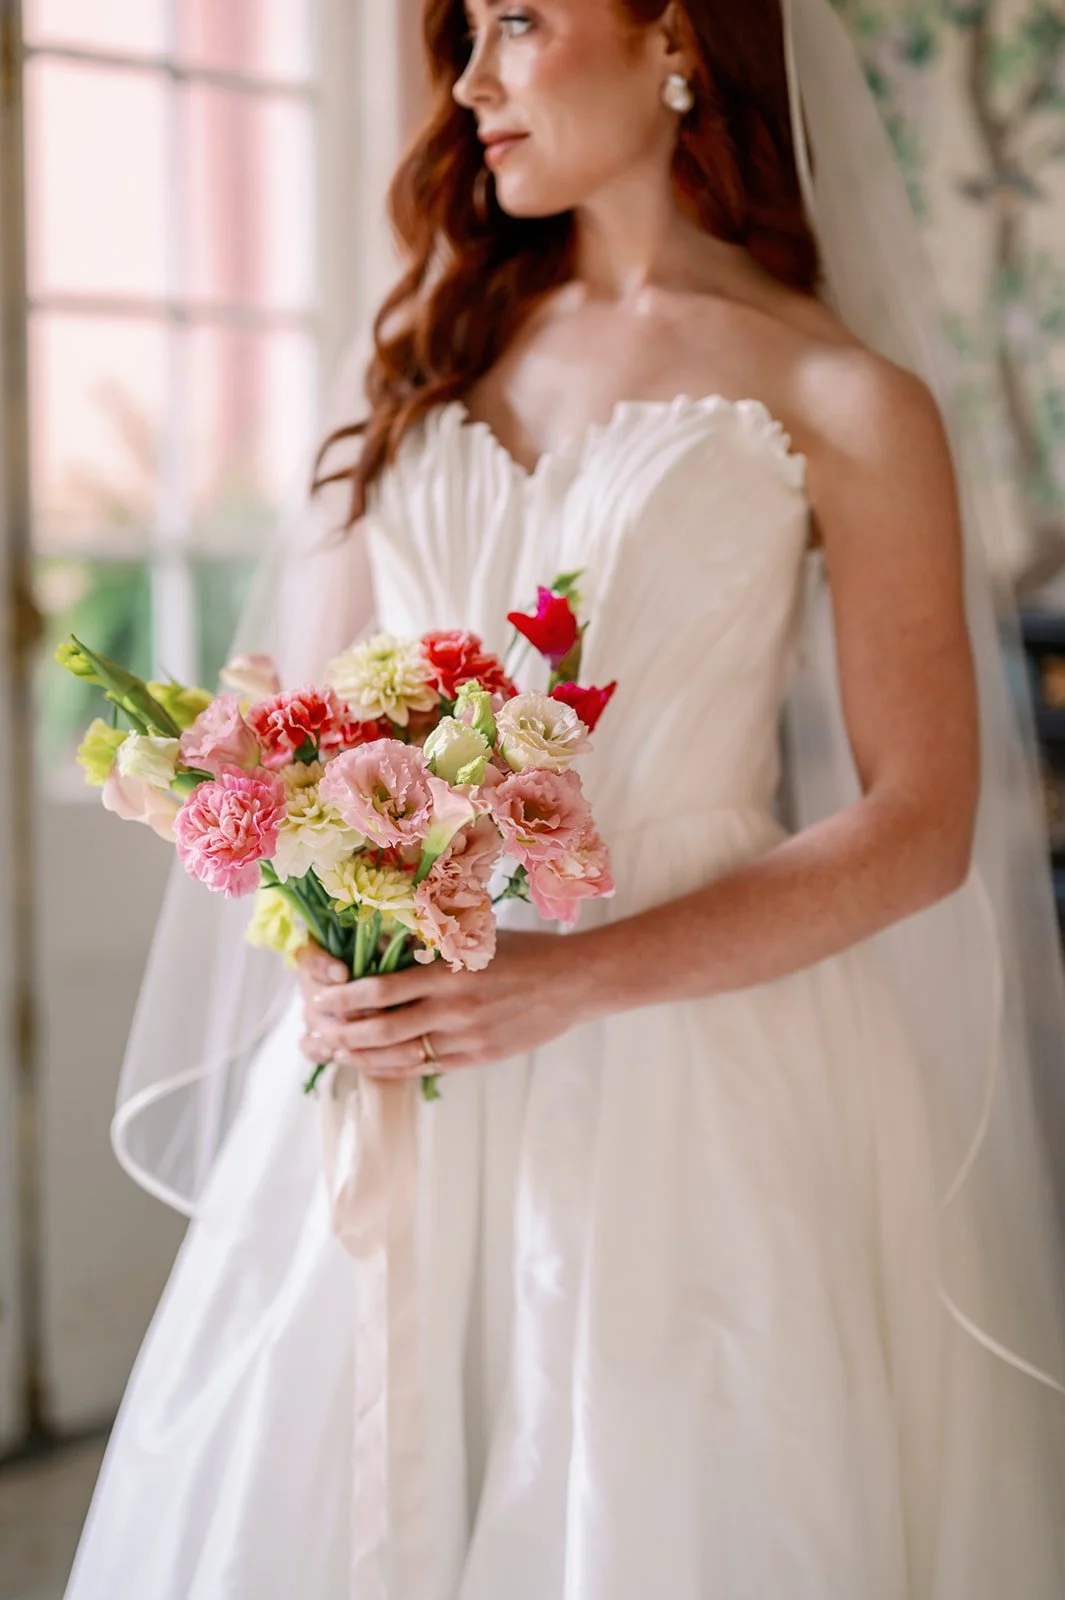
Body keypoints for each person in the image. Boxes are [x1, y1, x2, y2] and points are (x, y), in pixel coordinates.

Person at [65, 2, 1065, 1597]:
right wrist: (326, 927)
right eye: (460, 30)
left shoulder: (844, 393)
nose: (467, 80)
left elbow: (920, 822)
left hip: (703, 1057)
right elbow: (300, 730)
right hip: (407, 1036)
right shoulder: (422, 347)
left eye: (517, 20)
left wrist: (569, 978)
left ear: (672, 34)